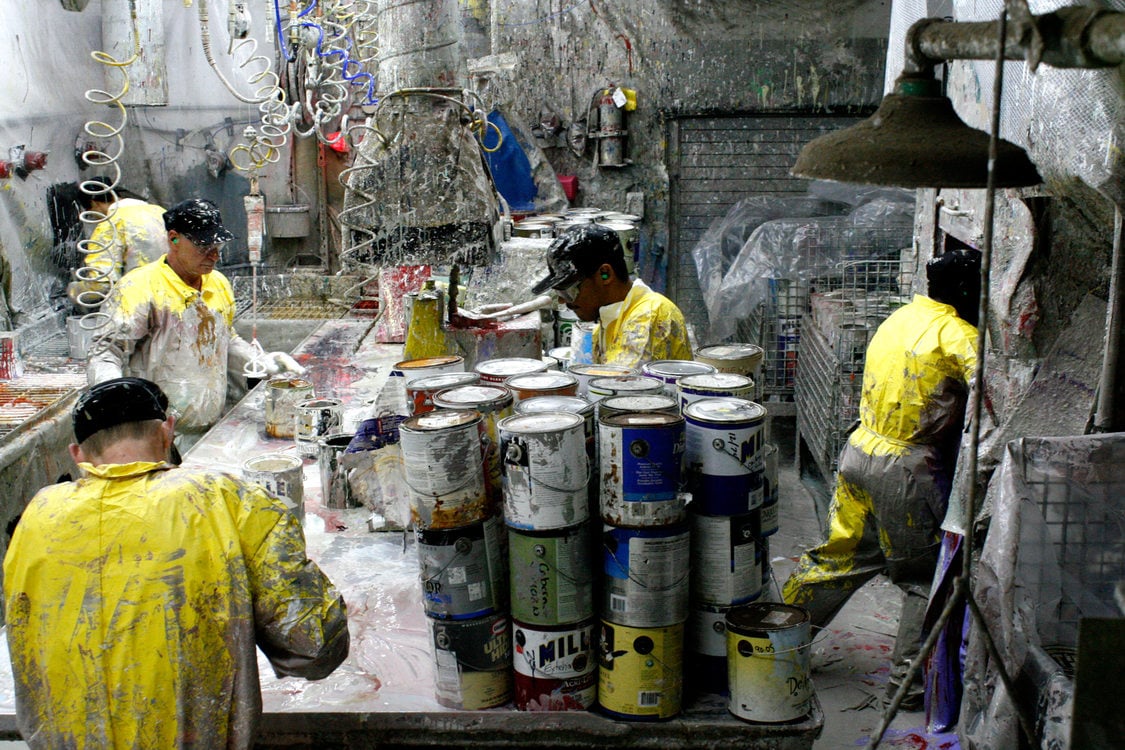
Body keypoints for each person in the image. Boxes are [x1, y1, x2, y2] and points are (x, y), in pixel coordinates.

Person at [3, 377, 349, 749]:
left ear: (78, 456)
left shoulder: (34, 520)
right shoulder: (227, 501)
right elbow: (314, 645)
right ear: (167, 433)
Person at [781, 248, 981, 711]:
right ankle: (907, 690)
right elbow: (994, 390)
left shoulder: (903, 315)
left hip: (859, 451)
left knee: (843, 556)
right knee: (921, 578)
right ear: (970, 293)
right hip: (906, 470)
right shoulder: (959, 334)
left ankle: (772, 643)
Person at [86, 197, 302, 452]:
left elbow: (225, 340)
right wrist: (114, 396)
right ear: (174, 239)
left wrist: (261, 363)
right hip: (158, 437)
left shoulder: (217, 283)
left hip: (210, 429)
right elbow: (105, 352)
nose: (214, 255)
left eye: (217, 245)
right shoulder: (140, 289)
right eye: (203, 246)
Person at [531, 223, 692, 368]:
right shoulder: (609, 320)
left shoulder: (650, 315)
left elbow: (617, 389)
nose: (562, 300)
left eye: (569, 291)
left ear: (604, 274)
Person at [67, 178, 168, 304]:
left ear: (94, 203)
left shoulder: (111, 224)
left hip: (141, 304)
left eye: (90, 213)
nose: (94, 218)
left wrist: (74, 290)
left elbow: (101, 284)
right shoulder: (160, 212)